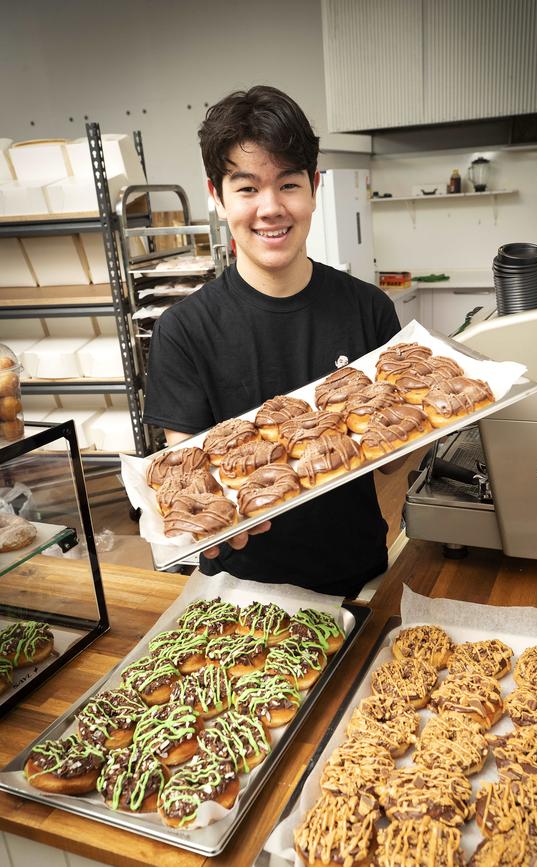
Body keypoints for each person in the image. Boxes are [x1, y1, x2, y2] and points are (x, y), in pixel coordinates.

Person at [143, 84, 401, 597]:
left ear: (314, 188)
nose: (270, 208)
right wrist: (205, 527)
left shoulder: (368, 308)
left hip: (357, 572)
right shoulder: (184, 330)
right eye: (246, 188)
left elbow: (392, 454)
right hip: (239, 591)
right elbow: (191, 471)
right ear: (216, 197)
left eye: (287, 184)